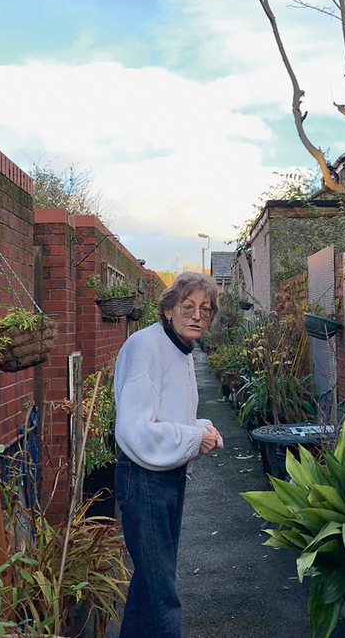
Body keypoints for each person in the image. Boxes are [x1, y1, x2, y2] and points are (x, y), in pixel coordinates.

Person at [113, 271, 224, 638]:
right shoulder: (147, 346)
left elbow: (167, 415)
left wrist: (201, 428)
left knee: (150, 586)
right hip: (145, 479)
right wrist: (193, 438)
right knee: (162, 596)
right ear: (168, 310)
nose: (196, 316)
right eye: (187, 306)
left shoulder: (179, 348)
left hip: (165, 476)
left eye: (204, 310)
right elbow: (135, 430)